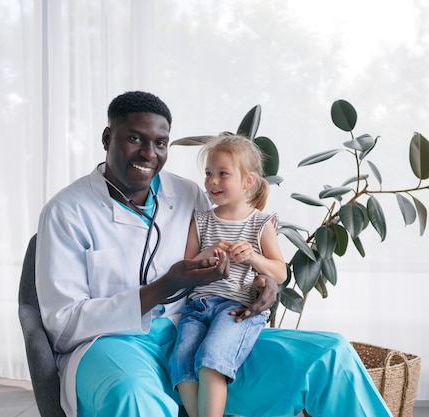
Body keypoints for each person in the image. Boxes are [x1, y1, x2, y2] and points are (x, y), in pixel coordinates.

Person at [35, 90, 392, 417]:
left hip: (199, 334)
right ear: (107, 138)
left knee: (330, 354)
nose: (149, 153)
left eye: (160, 143)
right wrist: (163, 286)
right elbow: (62, 326)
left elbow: (229, 246)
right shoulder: (67, 211)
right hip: (111, 345)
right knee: (134, 396)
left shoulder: (188, 193)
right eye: (134, 139)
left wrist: (265, 281)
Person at [170, 135, 288, 417]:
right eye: (209, 173)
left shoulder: (261, 223)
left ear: (248, 181)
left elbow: (280, 272)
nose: (212, 181)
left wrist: (253, 257)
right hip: (198, 307)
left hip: (235, 308)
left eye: (223, 174)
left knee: (211, 359)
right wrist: (208, 252)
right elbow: (188, 266)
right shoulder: (202, 220)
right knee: (181, 363)